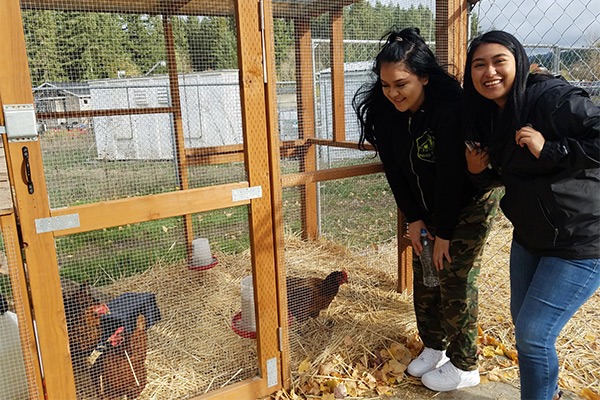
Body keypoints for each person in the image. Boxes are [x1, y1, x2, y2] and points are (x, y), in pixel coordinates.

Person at [352, 27, 499, 392]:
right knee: (426, 275)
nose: (392, 93)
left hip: (467, 204)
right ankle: (435, 346)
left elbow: (452, 178)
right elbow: (396, 172)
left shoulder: (449, 112)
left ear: (423, 78)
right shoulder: (387, 114)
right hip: (428, 207)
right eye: (386, 85)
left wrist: (445, 233)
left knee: (454, 277)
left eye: (401, 84)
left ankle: (465, 364)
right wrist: (415, 218)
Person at [463, 30, 600, 400]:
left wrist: (550, 149)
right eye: (479, 65)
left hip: (581, 238)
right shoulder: (493, 113)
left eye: (498, 61)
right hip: (531, 237)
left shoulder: (551, 99)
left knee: (534, 334)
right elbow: (517, 174)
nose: (489, 72)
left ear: (519, 62)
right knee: (526, 330)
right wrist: (480, 172)